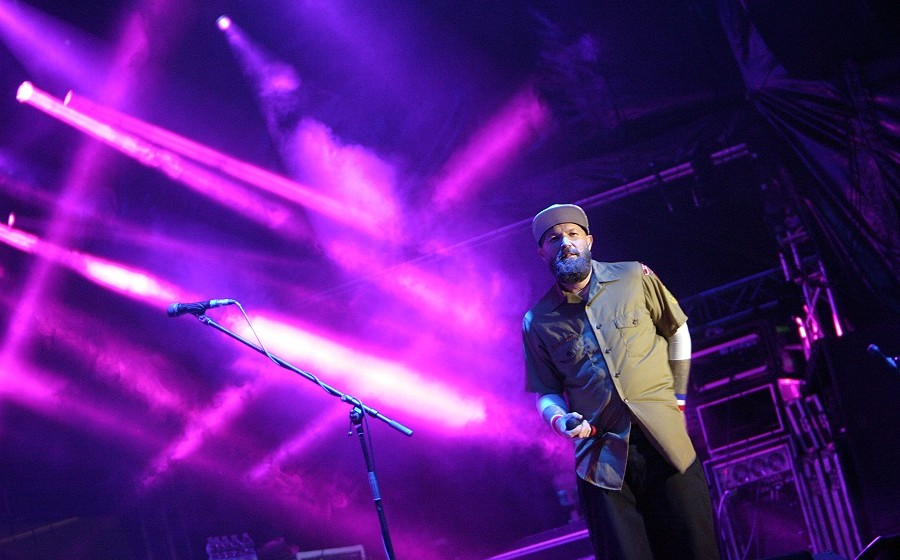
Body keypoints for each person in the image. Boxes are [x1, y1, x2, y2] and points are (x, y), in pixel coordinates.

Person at [522, 203, 720, 560]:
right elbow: (546, 392)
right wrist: (560, 420)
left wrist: (678, 399)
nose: (565, 243)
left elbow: (677, 331)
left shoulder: (634, 276)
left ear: (589, 241)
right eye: (553, 239)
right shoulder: (537, 321)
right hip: (602, 463)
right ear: (542, 253)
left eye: (573, 234)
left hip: (666, 446)